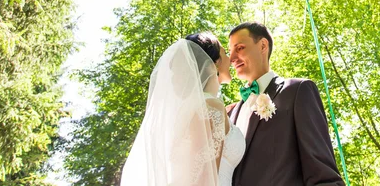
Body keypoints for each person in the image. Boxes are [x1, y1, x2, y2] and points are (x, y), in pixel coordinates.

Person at [121, 32, 245, 186]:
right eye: (225, 53)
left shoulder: (191, 109)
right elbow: (206, 178)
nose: (230, 59)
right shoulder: (210, 107)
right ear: (214, 63)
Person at [228, 22, 344, 185]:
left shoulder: (297, 91)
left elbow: (323, 175)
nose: (231, 58)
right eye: (230, 52)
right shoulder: (231, 113)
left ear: (262, 45)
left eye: (239, 48)